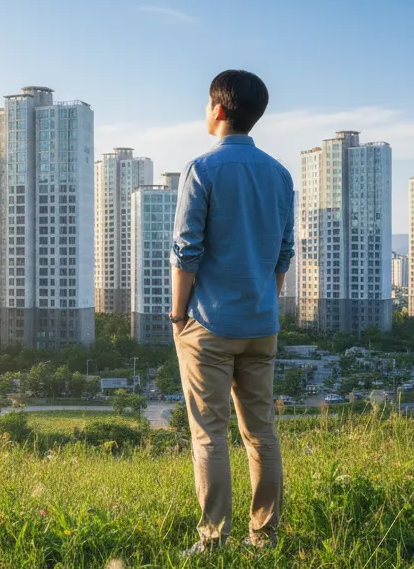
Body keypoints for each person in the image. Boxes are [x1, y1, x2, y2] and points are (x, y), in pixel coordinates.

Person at [169, 69, 295, 554]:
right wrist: (266, 297)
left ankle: (213, 540)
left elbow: (186, 252)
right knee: (261, 432)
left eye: (206, 104)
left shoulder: (201, 169)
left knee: (210, 436)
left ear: (218, 109)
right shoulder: (280, 174)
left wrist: (179, 317)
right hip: (262, 322)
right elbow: (284, 253)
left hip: (210, 324)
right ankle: (263, 539)